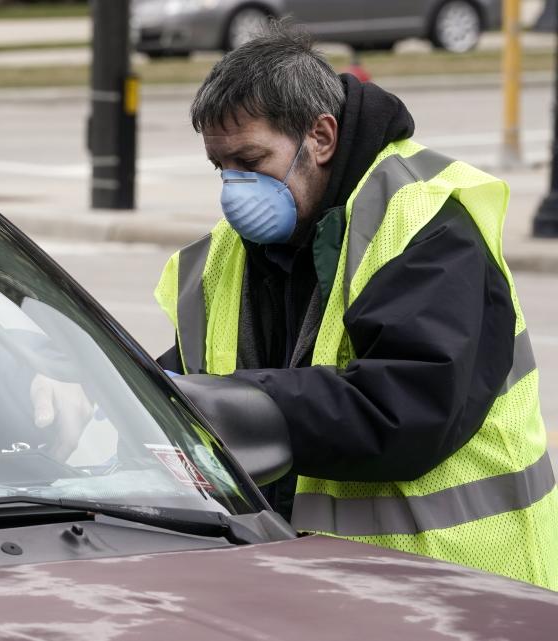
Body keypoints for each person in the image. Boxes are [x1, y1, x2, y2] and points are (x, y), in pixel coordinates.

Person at [154, 24, 558, 590]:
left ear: (320, 137)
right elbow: (188, 380)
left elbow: (408, 405)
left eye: (251, 161)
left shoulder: (422, 218)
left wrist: (238, 403)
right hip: (316, 580)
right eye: (221, 168)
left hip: (456, 580)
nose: (233, 189)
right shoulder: (224, 255)